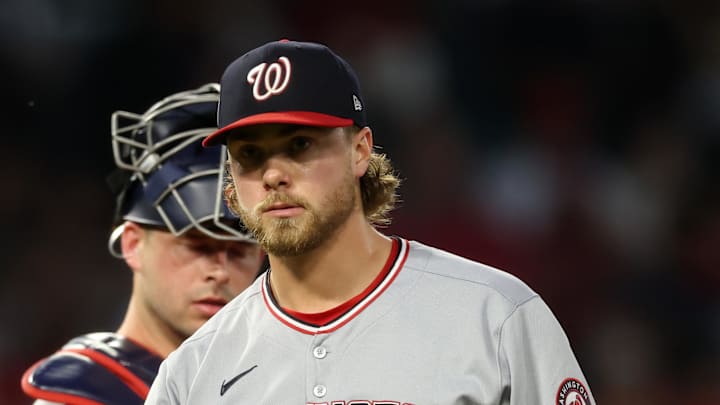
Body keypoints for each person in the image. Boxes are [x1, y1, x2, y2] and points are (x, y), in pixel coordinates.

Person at [145, 40, 595, 405]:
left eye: (300, 144)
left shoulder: (494, 316)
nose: (273, 174)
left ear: (360, 151)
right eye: (250, 155)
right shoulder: (191, 376)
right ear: (230, 183)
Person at [21, 84, 266, 405]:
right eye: (197, 247)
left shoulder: (272, 380)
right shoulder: (85, 395)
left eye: (237, 251)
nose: (219, 272)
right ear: (132, 244)